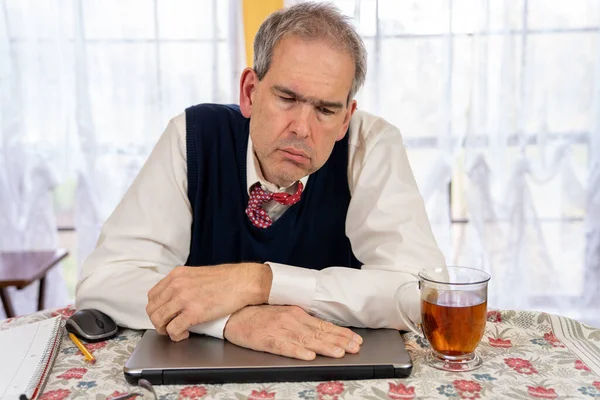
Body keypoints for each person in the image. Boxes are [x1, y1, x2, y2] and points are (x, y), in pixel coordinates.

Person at [75, 2, 445, 361]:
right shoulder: (193, 137)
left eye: (325, 110)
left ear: (346, 118)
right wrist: (230, 320)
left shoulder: (371, 145)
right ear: (250, 92)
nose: (302, 129)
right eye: (287, 98)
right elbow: (104, 280)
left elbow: (421, 292)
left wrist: (260, 283)